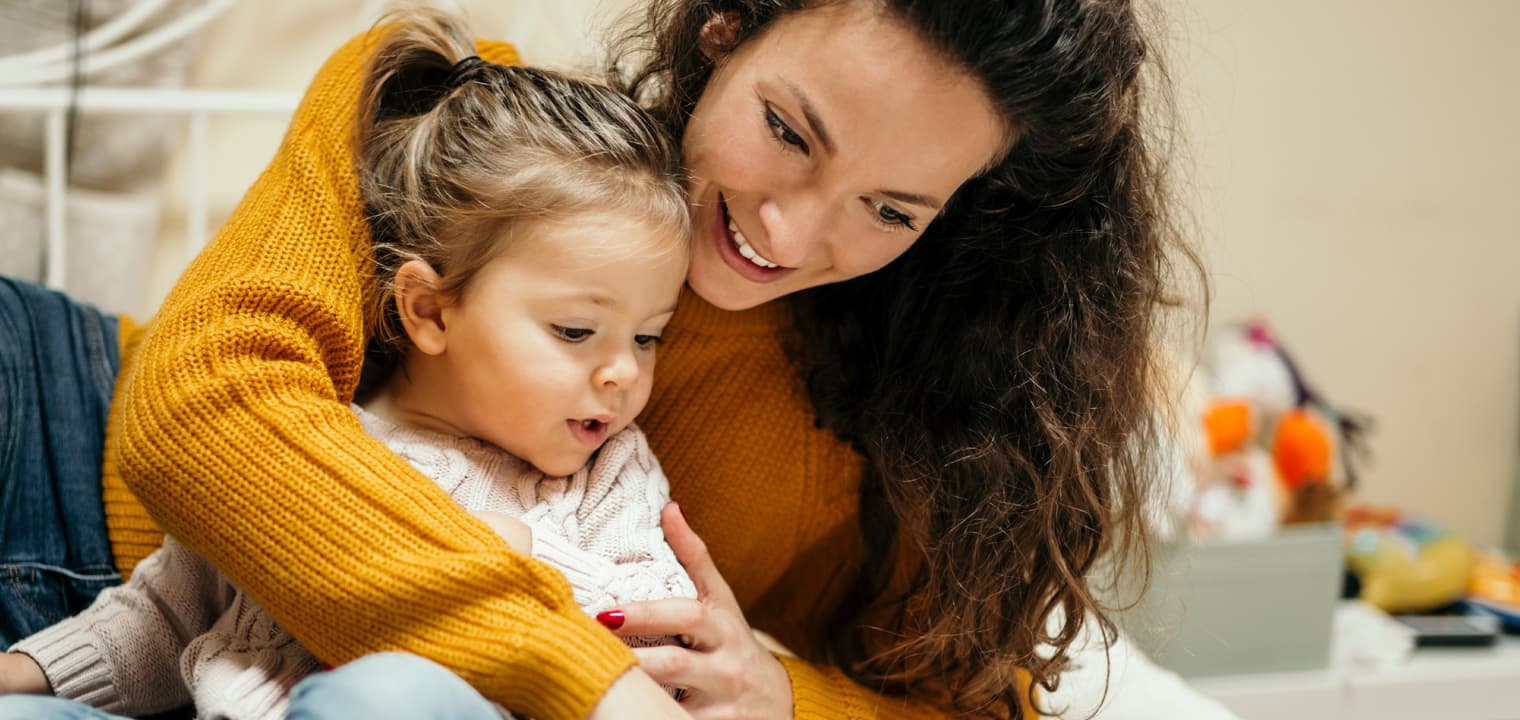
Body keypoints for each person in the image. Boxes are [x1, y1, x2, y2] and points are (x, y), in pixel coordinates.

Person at [0, 1, 1201, 718]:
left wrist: (781, 699)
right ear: (724, 25)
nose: (790, 229)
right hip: (60, 427)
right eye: (787, 131)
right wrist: (573, 672)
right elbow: (203, 413)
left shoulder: (907, 430)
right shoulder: (441, 110)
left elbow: (979, 709)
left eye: (889, 210)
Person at [0, 10, 699, 719]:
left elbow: (653, 638)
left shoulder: (609, 477)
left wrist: (519, 553)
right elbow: (163, 618)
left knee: (388, 695)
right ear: (428, 311)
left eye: (648, 338)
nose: (622, 372)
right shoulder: (314, 440)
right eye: (577, 330)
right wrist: (25, 673)